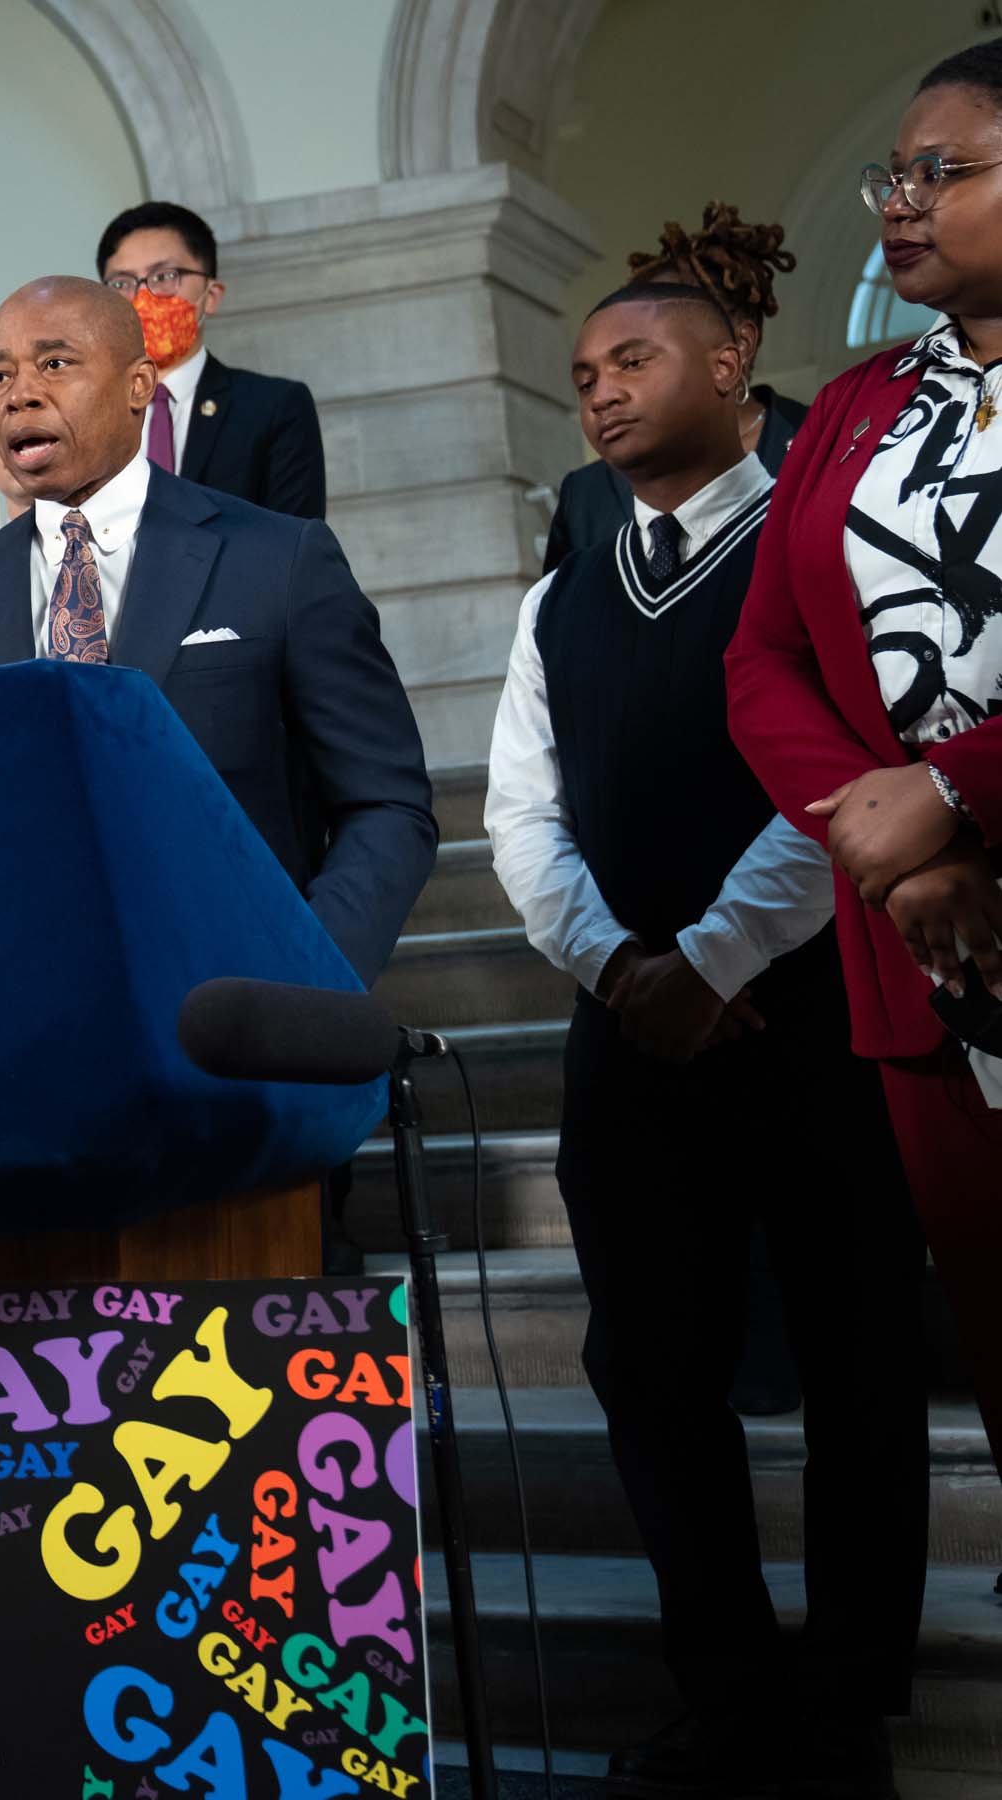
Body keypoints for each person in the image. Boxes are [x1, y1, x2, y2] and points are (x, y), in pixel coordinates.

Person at [492, 280, 924, 1800]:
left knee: (858, 1352)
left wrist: (718, 956)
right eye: (581, 371)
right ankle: (725, 1691)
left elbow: (850, 780)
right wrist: (623, 968)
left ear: (733, 363)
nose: (599, 390)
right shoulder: (562, 593)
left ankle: (852, 1692)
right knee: (651, 1368)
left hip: (816, 1013)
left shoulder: (817, 544)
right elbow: (520, 818)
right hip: (631, 1036)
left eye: (633, 357)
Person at [727, 41, 1002, 1572]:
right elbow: (761, 660)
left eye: (939, 172)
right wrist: (893, 851)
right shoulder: (848, 407)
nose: (899, 202)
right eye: (889, 175)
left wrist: (957, 790)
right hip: (933, 962)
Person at [0, 277, 433, 987]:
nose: (17, 393)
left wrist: (313, 971)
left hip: (242, 1007)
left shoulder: (277, 559)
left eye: (54, 364)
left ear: (138, 384)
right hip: (28, 1019)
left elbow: (386, 803)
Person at [542, 204, 810, 572]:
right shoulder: (588, 495)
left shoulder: (823, 445)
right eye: (586, 384)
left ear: (737, 348)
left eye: (634, 360)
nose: (604, 395)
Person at [95, 202, 326, 519]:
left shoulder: (272, 408)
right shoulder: (89, 414)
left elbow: (294, 548)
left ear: (212, 294)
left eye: (164, 276)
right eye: (122, 283)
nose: (142, 298)